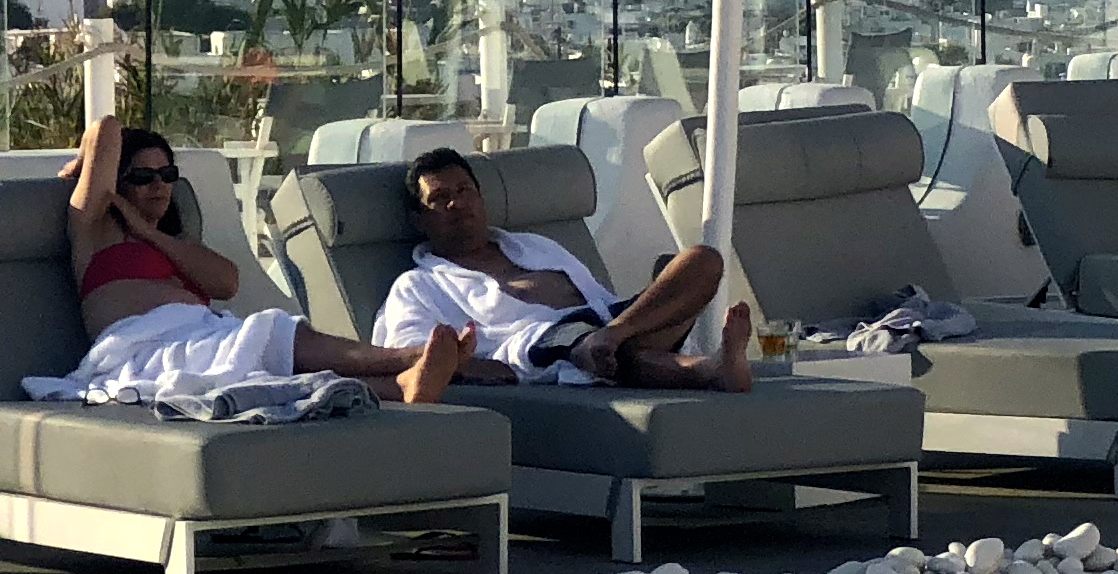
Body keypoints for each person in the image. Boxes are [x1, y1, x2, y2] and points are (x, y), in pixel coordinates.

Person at [19, 117, 472, 407]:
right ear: (118, 180)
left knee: (268, 369)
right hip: (145, 348)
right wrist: (82, 162)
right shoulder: (92, 227)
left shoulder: (169, 241)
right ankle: (414, 355)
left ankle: (402, 384)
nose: (159, 185)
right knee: (274, 334)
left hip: (202, 332)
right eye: (142, 176)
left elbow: (227, 282)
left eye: (167, 175)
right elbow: (106, 129)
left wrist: (151, 233)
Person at [374, 146, 754, 392]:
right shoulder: (418, 285)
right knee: (601, 351)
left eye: (465, 190)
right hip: (542, 344)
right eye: (440, 198)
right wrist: (480, 367)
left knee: (702, 260)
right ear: (419, 219)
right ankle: (707, 369)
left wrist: (620, 328)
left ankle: (615, 342)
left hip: (608, 324)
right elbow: (413, 355)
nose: (458, 204)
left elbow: (600, 298)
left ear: (481, 197)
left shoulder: (536, 246)